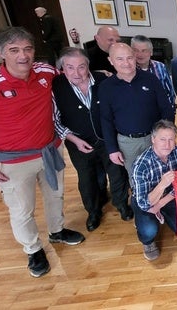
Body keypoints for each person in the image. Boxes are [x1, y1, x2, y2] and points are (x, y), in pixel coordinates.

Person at [0, 27, 84, 278]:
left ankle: (57, 231)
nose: (23, 56)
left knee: (55, 196)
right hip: (12, 162)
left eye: (28, 49)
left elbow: (73, 75)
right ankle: (33, 249)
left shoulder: (47, 73)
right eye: (14, 50)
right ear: (1, 53)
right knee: (21, 209)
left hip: (49, 151)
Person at [53, 47, 131, 231]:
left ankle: (122, 204)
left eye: (81, 67)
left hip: (107, 139)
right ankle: (93, 211)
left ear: (88, 65)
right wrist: (73, 139)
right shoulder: (56, 86)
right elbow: (54, 120)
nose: (76, 73)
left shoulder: (104, 79)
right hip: (77, 142)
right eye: (70, 68)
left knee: (117, 173)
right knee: (87, 179)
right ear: (63, 68)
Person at [99, 42, 174, 212]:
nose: (126, 63)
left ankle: (162, 207)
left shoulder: (150, 79)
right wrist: (112, 149)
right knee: (136, 179)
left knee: (160, 173)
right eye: (120, 59)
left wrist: (167, 136)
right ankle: (144, 212)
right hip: (127, 143)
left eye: (129, 58)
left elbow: (166, 108)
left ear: (135, 58)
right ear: (111, 61)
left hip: (154, 139)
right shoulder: (106, 87)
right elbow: (106, 120)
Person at [132, 120, 177, 261]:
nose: (167, 144)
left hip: (170, 196)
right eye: (162, 139)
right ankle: (148, 243)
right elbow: (145, 204)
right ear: (153, 139)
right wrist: (162, 184)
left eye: (171, 139)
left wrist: (159, 205)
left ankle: (162, 214)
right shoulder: (141, 165)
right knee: (149, 231)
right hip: (146, 199)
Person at [131, 35, 176, 110]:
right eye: (136, 50)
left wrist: (170, 111)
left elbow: (169, 93)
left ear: (151, 52)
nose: (140, 54)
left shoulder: (161, 67)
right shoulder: (127, 70)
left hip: (160, 114)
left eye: (144, 50)